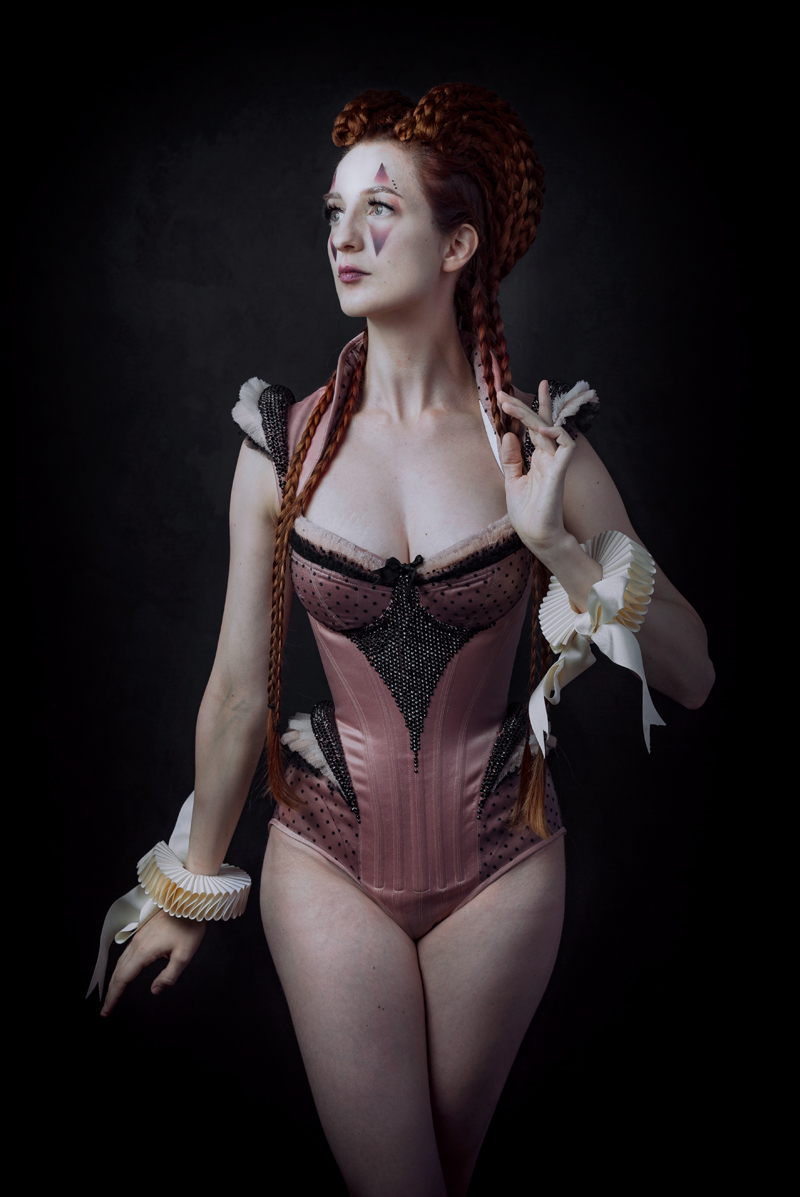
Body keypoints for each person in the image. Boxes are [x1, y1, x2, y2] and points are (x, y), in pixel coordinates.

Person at [92, 85, 714, 1196]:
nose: (343, 236)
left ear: (457, 244)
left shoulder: (539, 450)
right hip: (326, 854)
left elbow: (692, 672)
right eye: (333, 212)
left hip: (504, 869)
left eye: (379, 209)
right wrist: (189, 889)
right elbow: (236, 693)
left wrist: (558, 548)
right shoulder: (281, 446)